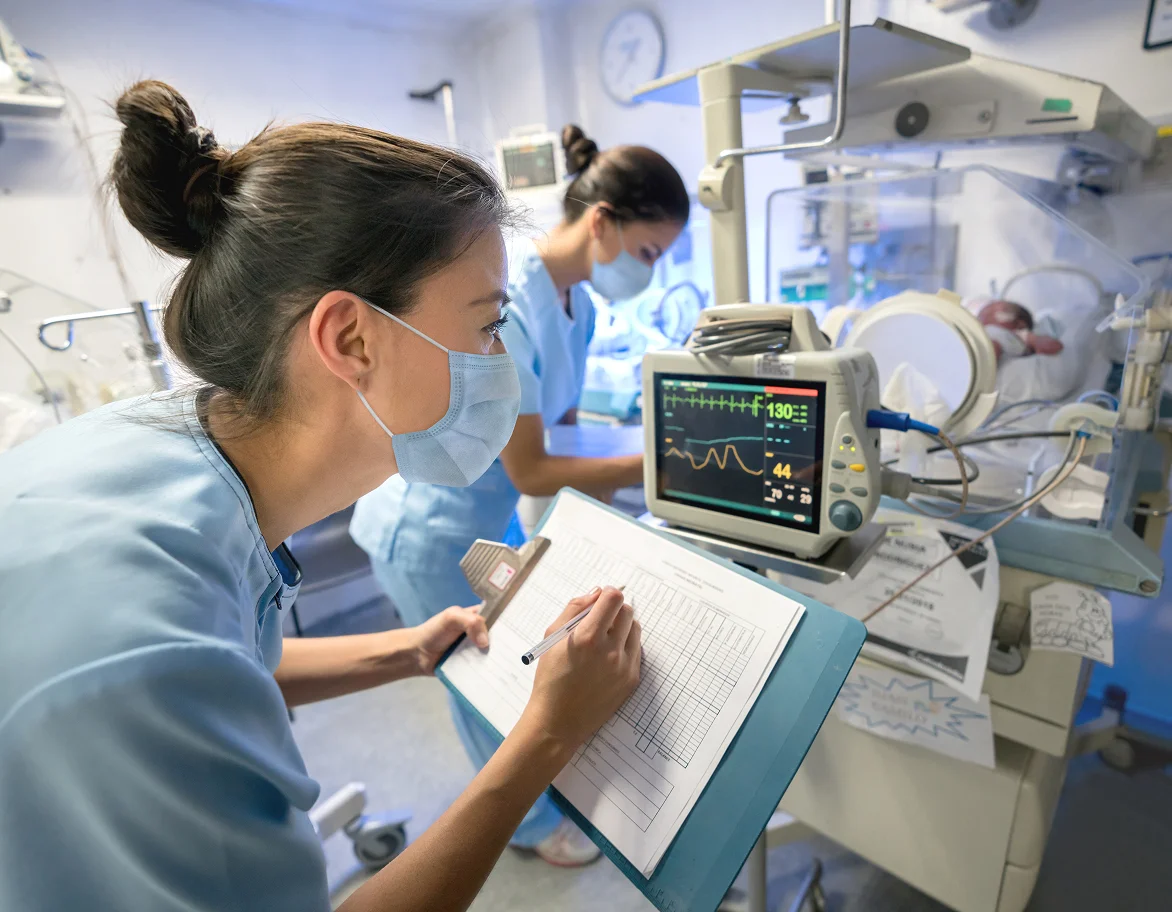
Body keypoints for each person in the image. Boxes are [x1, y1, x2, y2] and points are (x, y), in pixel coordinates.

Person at [0, 81, 642, 912]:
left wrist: (406, 649)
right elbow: (166, 664)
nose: (500, 359)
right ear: (350, 338)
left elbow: (227, 661)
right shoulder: (139, 631)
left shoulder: (178, 455)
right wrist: (547, 736)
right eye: (486, 325)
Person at [350, 124, 688, 866]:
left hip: (486, 516)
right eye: (647, 253)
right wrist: (662, 467)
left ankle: (536, 782)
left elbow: (558, 437)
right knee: (476, 676)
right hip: (430, 528)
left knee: (514, 661)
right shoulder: (517, 299)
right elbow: (536, 467)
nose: (649, 272)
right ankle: (531, 830)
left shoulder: (584, 306)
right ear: (601, 223)